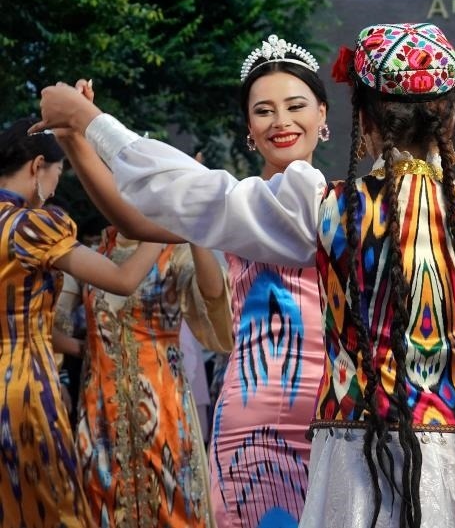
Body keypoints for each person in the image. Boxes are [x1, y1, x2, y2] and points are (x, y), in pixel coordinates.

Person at [33, 21, 455, 528]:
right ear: (450, 122)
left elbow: (197, 194)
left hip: (362, 452)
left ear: (362, 122)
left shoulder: (327, 209)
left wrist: (94, 122)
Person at [57, 36, 333, 527]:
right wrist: (75, 139)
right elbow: (134, 219)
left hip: (334, 415)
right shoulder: (235, 205)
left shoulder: (349, 204)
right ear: (249, 128)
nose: (281, 121)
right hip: (249, 421)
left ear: (322, 115)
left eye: (295, 106)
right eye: (264, 111)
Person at [0, 119, 163, 528]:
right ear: (38, 165)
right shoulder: (32, 226)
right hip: (25, 381)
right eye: (58, 172)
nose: (56, 186)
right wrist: (162, 231)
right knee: (56, 510)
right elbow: (122, 280)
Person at [76, 224, 231, 527]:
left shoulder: (174, 250)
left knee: (173, 509)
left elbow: (213, 297)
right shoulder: (98, 252)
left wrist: (194, 228)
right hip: (100, 412)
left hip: (162, 413)